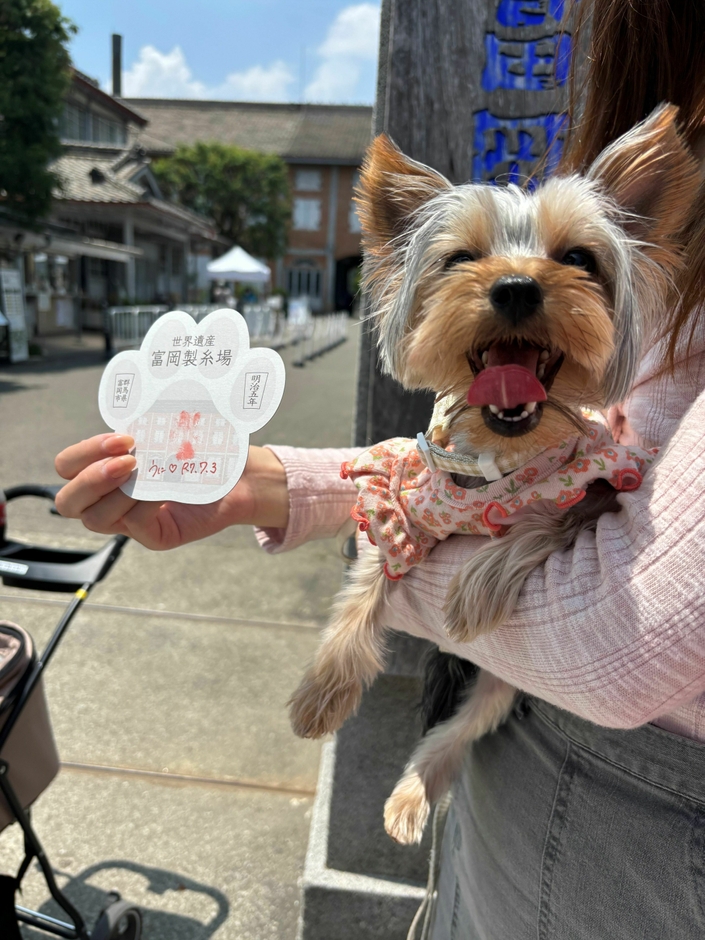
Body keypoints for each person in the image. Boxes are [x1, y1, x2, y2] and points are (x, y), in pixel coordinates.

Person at [54, 1, 705, 936]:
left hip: (638, 840)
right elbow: (418, 477)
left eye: (573, 259)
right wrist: (264, 484)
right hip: (519, 798)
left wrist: (405, 565)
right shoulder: (460, 427)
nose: (517, 282)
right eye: (462, 260)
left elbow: (620, 641)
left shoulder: (597, 448)